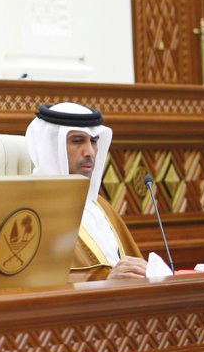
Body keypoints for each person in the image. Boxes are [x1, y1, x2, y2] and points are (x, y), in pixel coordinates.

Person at [26, 102, 148, 281]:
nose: (90, 152)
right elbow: (31, 281)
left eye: (93, 141)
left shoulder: (99, 205)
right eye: (77, 141)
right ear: (51, 147)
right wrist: (105, 283)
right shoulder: (30, 209)